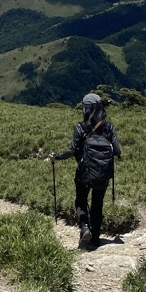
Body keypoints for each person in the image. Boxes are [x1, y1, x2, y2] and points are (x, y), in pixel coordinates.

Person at [50, 93, 121, 249]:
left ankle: (84, 228)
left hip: (84, 173)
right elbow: (117, 151)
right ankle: (95, 238)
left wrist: (57, 157)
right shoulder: (109, 127)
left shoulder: (80, 127)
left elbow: (72, 150)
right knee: (97, 204)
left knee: (81, 201)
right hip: (103, 174)